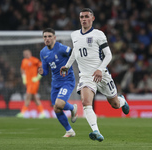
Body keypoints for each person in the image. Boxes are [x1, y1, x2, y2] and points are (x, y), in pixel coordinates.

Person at [60, 8, 130, 142]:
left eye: (86, 16)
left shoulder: (99, 34)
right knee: (86, 102)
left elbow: (109, 55)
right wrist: (67, 66)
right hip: (86, 77)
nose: (84, 19)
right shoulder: (74, 35)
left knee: (115, 104)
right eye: (81, 17)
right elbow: (75, 51)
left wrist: (100, 69)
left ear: (93, 18)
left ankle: (122, 100)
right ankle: (96, 131)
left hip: (102, 74)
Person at [38, 28, 77, 137]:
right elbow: (46, 71)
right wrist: (42, 72)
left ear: (54, 38)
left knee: (59, 104)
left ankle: (73, 108)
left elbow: (74, 54)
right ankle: (69, 131)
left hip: (67, 81)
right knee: (56, 108)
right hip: (55, 83)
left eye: (49, 36)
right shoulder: (43, 52)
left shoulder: (61, 48)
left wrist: (69, 66)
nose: (47, 38)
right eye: (45, 36)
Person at [16, 49, 46, 118]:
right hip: (28, 82)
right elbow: (22, 69)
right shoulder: (24, 61)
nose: (25, 55)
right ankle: (42, 113)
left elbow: (42, 66)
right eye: (24, 54)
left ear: (30, 53)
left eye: (26, 53)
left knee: (28, 95)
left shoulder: (34, 60)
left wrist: (38, 77)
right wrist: (24, 78)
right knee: (35, 97)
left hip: (34, 82)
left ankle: (23, 112)